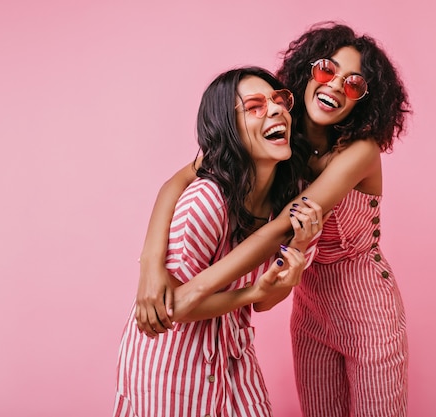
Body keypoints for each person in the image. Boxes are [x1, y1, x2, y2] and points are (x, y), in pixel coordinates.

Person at [136, 22, 411, 417]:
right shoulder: (276, 126)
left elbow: (283, 225)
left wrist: (193, 293)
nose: (335, 86)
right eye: (326, 70)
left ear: (362, 102)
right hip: (311, 306)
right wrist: (149, 264)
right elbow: (178, 179)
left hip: (369, 308)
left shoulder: (360, 151)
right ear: (306, 71)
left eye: (353, 84)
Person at [113, 66, 324, 417]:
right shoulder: (206, 201)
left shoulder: (294, 199)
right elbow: (172, 309)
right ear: (228, 128)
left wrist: (295, 257)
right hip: (171, 362)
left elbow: (265, 304)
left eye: (279, 101)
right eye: (255, 105)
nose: (275, 110)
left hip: (233, 354)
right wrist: (251, 294)